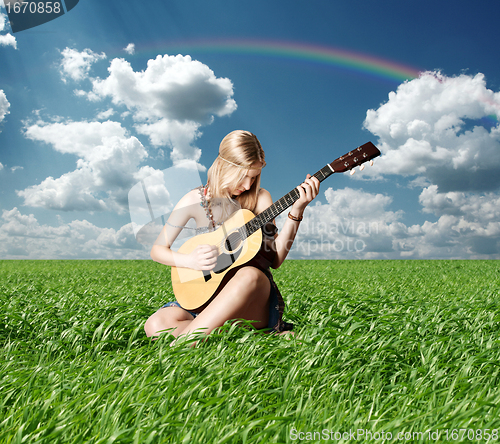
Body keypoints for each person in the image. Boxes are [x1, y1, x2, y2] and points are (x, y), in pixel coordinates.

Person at [144, 130, 319, 341]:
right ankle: (239, 335)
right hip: (208, 298)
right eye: (243, 176)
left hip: (251, 297)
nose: (247, 185)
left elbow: (276, 259)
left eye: (253, 178)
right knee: (155, 325)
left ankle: (185, 342)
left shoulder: (260, 198)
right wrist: (190, 261)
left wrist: (297, 210)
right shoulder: (193, 200)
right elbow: (157, 250)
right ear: (225, 166)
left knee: (249, 275)